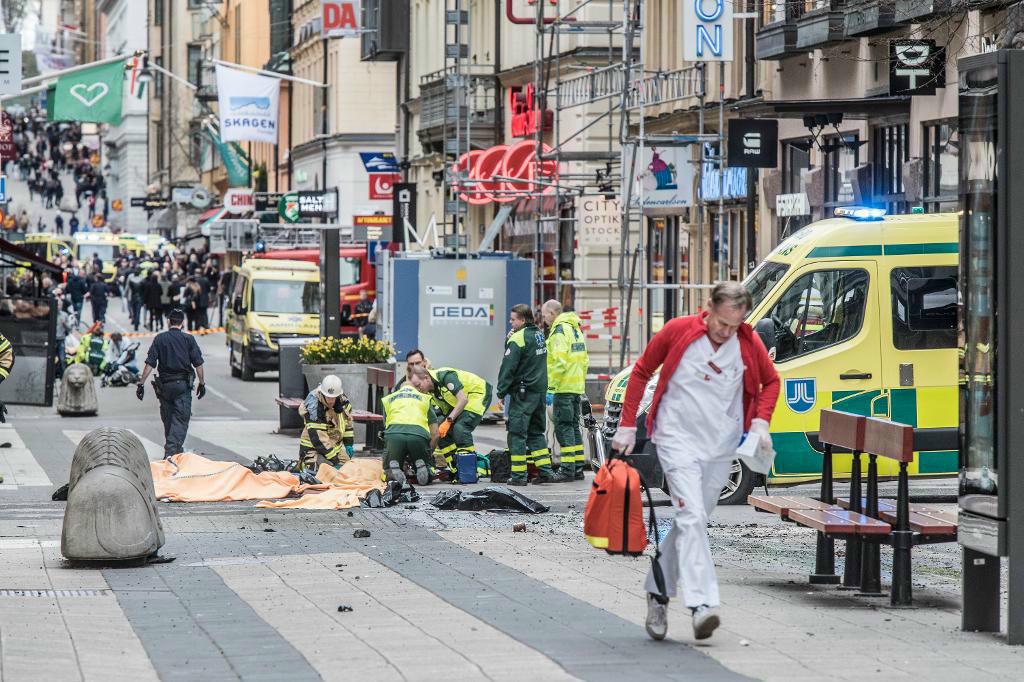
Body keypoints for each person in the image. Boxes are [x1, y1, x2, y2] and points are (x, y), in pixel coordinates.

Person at [612, 281, 780, 642]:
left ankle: (657, 592)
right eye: (722, 323)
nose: (726, 332)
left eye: (734, 325)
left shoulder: (747, 342)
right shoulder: (678, 332)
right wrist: (626, 425)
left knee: (694, 522)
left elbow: (771, 382)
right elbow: (640, 371)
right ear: (708, 308)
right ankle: (702, 605)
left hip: (721, 448)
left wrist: (761, 423)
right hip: (676, 441)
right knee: (690, 516)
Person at [496, 304, 568, 486]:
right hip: (539, 392)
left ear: (522, 320)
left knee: (517, 433)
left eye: (513, 319)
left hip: (523, 395)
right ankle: (545, 472)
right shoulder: (538, 335)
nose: (510, 322)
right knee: (536, 433)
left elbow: (508, 367)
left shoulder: (518, 338)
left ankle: (519, 476)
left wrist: (501, 391)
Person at [136, 309, 206, 459]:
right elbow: (198, 364)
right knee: (180, 421)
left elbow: (150, 364)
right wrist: (202, 383)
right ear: (183, 323)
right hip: (182, 387)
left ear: (168, 322)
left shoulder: (159, 339)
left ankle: (175, 454)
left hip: (164, 387)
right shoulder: (188, 339)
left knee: (169, 421)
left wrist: (141, 384)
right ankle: (170, 454)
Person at [412, 364, 491, 476]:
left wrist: (448, 421)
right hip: (462, 402)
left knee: (461, 428)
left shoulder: (445, 376)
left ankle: (469, 472)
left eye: (418, 385)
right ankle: (455, 467)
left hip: (478, 394)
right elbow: (438, 414)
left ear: (426, 378)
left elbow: (463, 399)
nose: (418, 389)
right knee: (441, 433)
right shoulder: (431, 392)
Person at [542, 300, 590, 481]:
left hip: (562, 388)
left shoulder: (559, 331)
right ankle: (578, 468)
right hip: (575, 387)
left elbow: (559, 363)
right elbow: (584, 360)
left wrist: (551, 388)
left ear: (552, 313)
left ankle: (567, 470)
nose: (544, 319)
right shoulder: (575, 329)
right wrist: (580, 385)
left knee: (563, 429)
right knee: (574, 427)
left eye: (544, 315)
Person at [381, 371, 442, 485]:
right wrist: (428, 453)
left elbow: (386, 427)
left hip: (394, 435)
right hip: (418, 436)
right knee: (424, 461)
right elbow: (435, 434)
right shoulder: (424, 398)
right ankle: (424, 467)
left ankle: (393, 470)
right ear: (416, 388)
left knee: (390, 465)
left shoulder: (388, 399)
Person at [298, 374, 355, 471]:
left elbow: (348, 423)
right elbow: (319, 439)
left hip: (334, 447)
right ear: (322, 393)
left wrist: (348, 443)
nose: (330, 401)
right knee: (314, 472)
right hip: (312, 448)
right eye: (328, 397)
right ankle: (306, 464)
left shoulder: (343, 401)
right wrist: (335, 461)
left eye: (333, 397)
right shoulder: (314, 406)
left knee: (349, 469)